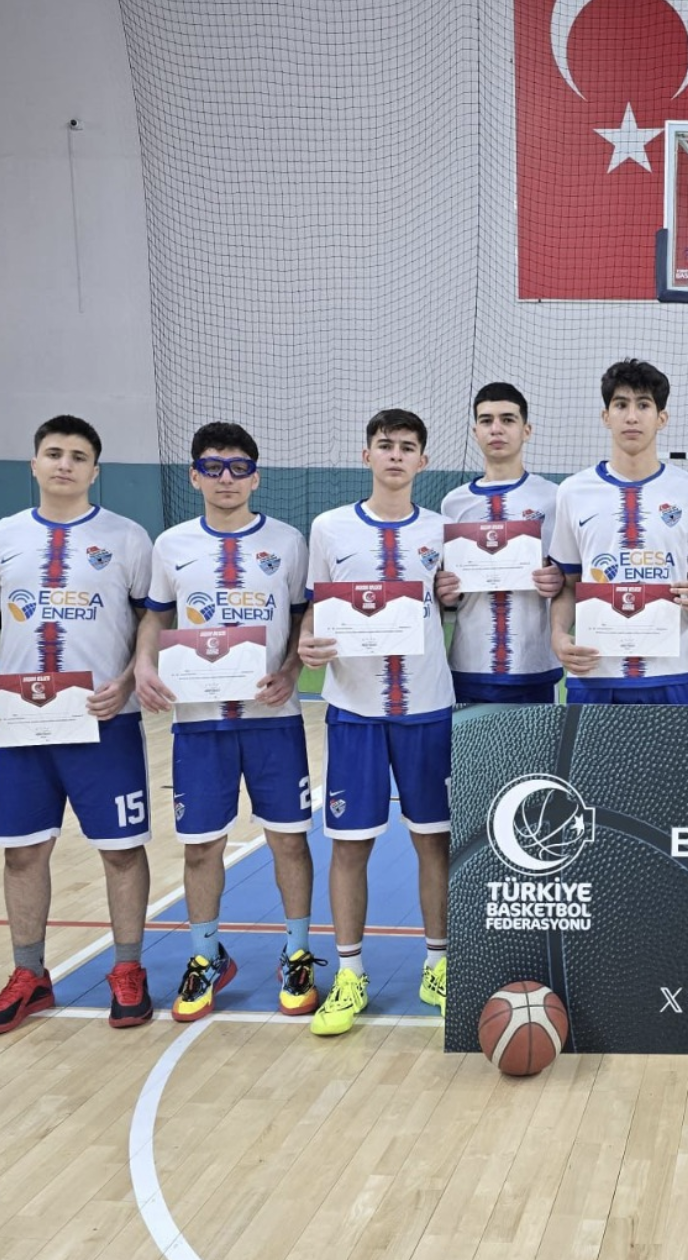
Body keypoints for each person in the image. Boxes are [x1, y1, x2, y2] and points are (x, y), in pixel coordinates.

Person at [0, 415, 156, 1034]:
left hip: (103, 720)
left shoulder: (128, 538)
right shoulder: (0, 537)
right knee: (22, 853)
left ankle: (128, 968)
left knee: (121, 851)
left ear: (95, 471)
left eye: (77, 456)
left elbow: (152, 621)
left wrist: (129, 679)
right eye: (53, 453)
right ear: (34, 463)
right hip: (21, 723)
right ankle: (29, 975)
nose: (64, 464)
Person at [134, 424, 317, 1023]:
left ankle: (297, 952)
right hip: (198, 723)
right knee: (201, 846)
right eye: (213, 467)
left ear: (255, 477)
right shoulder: (172, 544)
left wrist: (291, 671)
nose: (226, 478)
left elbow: (303, 618)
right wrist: (143, 666)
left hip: (273, 719)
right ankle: (206, 955)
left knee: (289, 840)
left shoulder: (287, 542)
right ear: (195, 476)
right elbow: (155, 617)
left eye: (238, 467)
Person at [297, 409, 454, 1036]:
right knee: (349, 843)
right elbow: (316, 609)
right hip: (354, 710)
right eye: (385, 445)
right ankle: (350, 974)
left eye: (407, 447)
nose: (395, 456)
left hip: (428, 707)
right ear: (367, 456)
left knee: (434, 841)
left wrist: (453, 594)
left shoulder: (442, 530)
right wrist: (308, 642)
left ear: (422, 461)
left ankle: (438, 965)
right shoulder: (329, 527)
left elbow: (449, 597)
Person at [549, 359, 688, 703]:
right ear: (605, 416)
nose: (631, 417)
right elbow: (567, 584)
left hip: (672, 673)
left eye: (643, 405)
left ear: (661, 418)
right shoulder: (572, 491)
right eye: (621, 404)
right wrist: (558, 635)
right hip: (594, 673)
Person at [435, 383, 563, 704]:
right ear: (475, 431)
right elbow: (447, 589)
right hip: (469, 662)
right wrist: (445, 592)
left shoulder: (554, 498)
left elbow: (572, 578)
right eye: (486, 420)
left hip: (535, 663)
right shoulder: (453, 504)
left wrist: (559, 580)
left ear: (526, 430)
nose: (496, 429)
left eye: (507, 419)